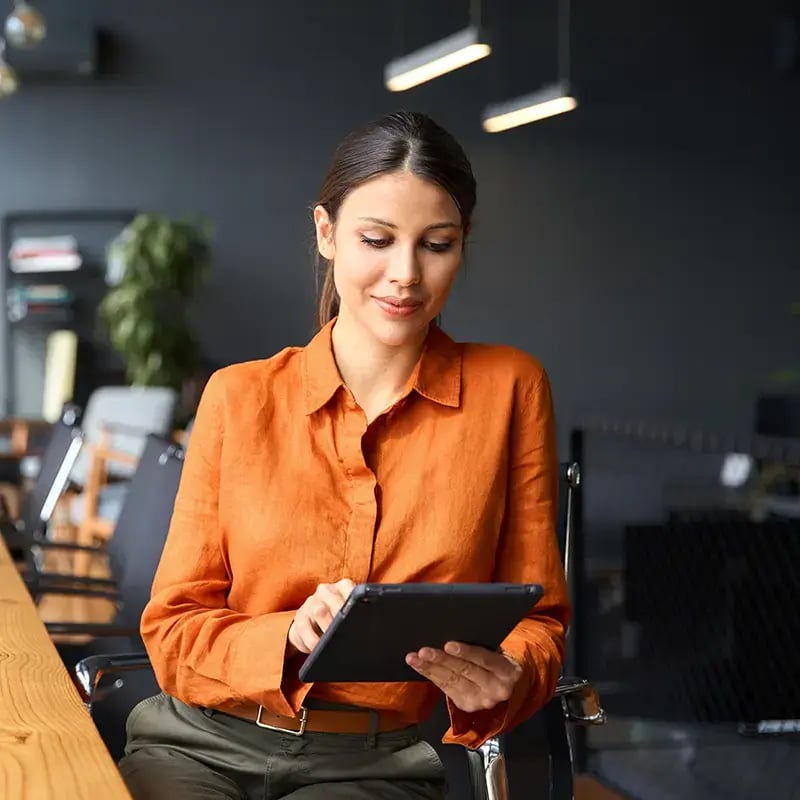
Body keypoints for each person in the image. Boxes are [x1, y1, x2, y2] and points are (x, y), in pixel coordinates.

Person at [119, 110, 569, 800]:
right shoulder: (238, 398)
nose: (405, 275)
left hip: (373, 765)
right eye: (377, 240)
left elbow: (540, 623)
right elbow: (173, 627)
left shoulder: (510, 390)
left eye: (437, 244)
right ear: (327, 234)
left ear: (463, 244)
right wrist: (289, 635)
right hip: (199, 745)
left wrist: (510, 671)